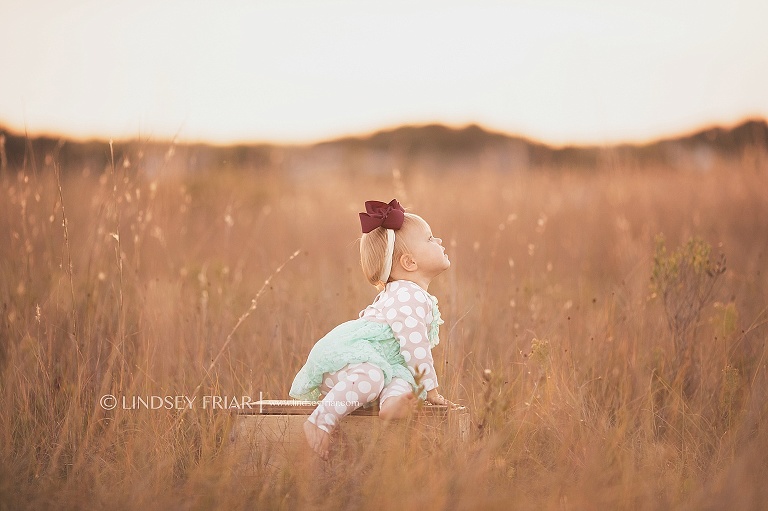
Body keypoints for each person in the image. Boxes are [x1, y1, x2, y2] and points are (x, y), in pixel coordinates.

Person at [289, 199, 456, 459]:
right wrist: (430, 389)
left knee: (401, 379)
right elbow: (415, 346)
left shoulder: (408, 293)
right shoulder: (407, 295)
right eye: (431, 239)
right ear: (409, 262)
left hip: (382, 364)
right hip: (351, 361)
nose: (440, 241)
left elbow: (404, 356)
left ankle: (392, 404)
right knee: (374, 375)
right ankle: (319, 422)